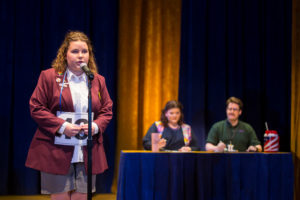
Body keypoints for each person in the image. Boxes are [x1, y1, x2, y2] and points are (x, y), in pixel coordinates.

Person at [25, 31, 113, 200]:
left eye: (84, 51)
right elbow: (36, 107)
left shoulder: (97, 80)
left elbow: (107, 109)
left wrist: (95, 126)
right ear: (65, 54)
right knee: (61, 196)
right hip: (57, 147)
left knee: (82, 195)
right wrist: (62, 126)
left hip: (87, 148)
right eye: (75, 51)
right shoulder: (49, 76)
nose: (81, 56)